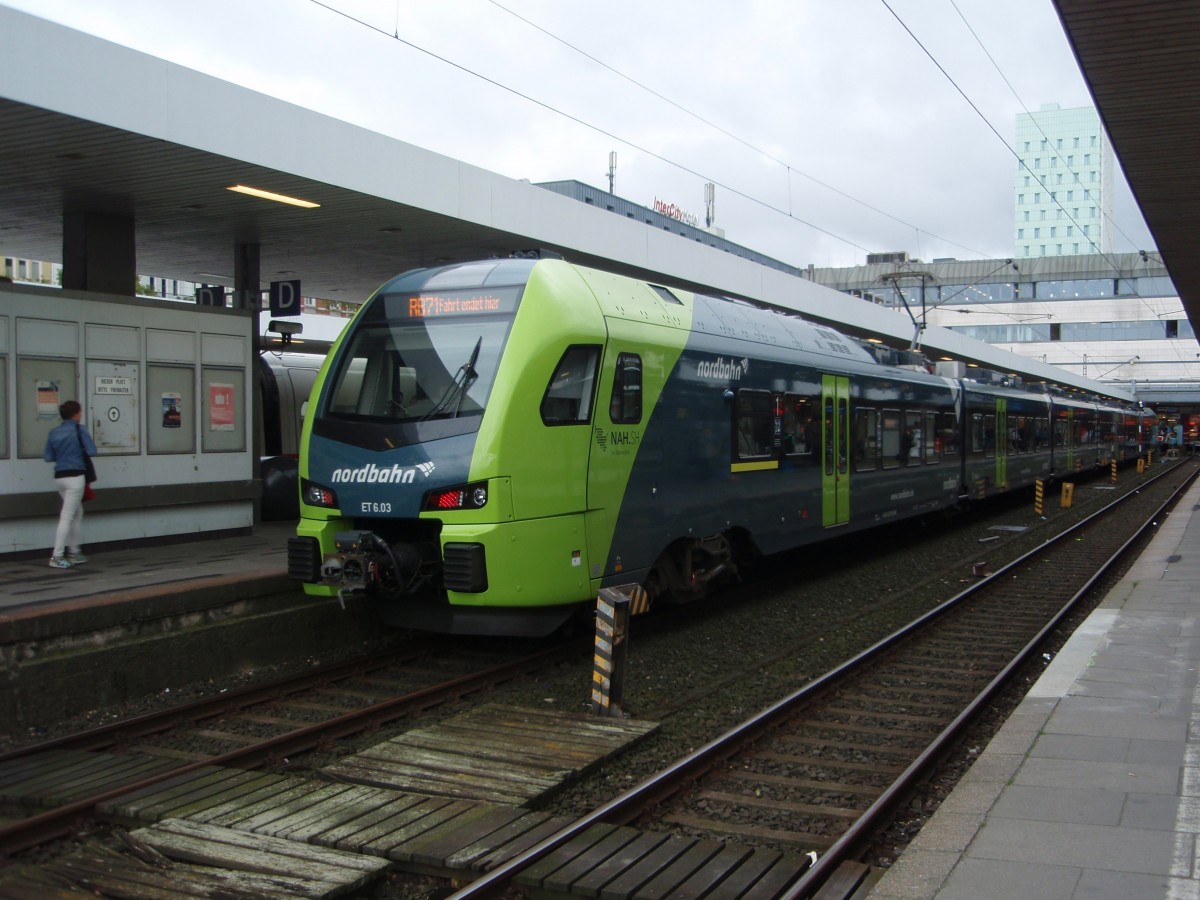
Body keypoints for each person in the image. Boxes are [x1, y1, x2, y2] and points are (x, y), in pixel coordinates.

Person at [43, 399, 96, 569]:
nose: (81, 415)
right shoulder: (79, 430)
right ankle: (57, 556)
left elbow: (48, 457)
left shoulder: (53, 432)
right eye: (80, 412)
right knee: (67, 516)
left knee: (76, 512)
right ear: (76, 414)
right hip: (75, 477)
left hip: (59, 477)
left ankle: (74, 551)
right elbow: (92, 451)